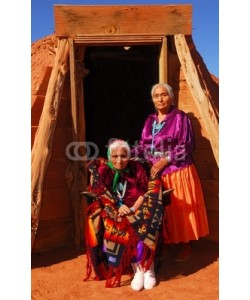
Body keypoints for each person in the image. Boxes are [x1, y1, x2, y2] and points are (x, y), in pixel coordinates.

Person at [131, 83, 209, 261]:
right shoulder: (150, 120)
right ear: (152, 99)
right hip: (156, 173)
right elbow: (143, 145)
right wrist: (127, 154)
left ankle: (185, 244)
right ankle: (166, 243)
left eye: (164, 95)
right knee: (160, 210)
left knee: (180, 208)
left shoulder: (179, 118)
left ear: (171, 97)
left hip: (177, 169)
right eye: (156, 95)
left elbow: (187, 145)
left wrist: (165, 160)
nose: (160, 99)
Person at [83, 139, 164, 290]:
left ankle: (148, 266)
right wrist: (117, 209)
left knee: (142, 222)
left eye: (123, 155)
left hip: (137, 207)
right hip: (114, 210)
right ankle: (137, 268)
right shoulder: (104, 171)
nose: (119, 160)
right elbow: (102, 195)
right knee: (120, 225)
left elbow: (143, 193)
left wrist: (133, 209)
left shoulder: (137, 168)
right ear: (109, 156)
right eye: (115, 156)